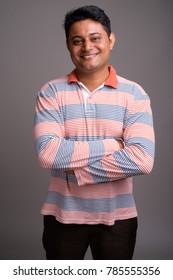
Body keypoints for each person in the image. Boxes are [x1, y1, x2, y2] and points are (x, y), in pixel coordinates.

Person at [34, 5, 155, 260]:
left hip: (118, 219)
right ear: (68, 45)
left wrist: (78, 173)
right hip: (62, 216)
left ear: (111, 39)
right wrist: (115, 145)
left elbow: (142, 159)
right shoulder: (51, 92)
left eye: (95, 38)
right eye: (77, 41)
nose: (87, 47)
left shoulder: (134, 93)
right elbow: (48, 155)